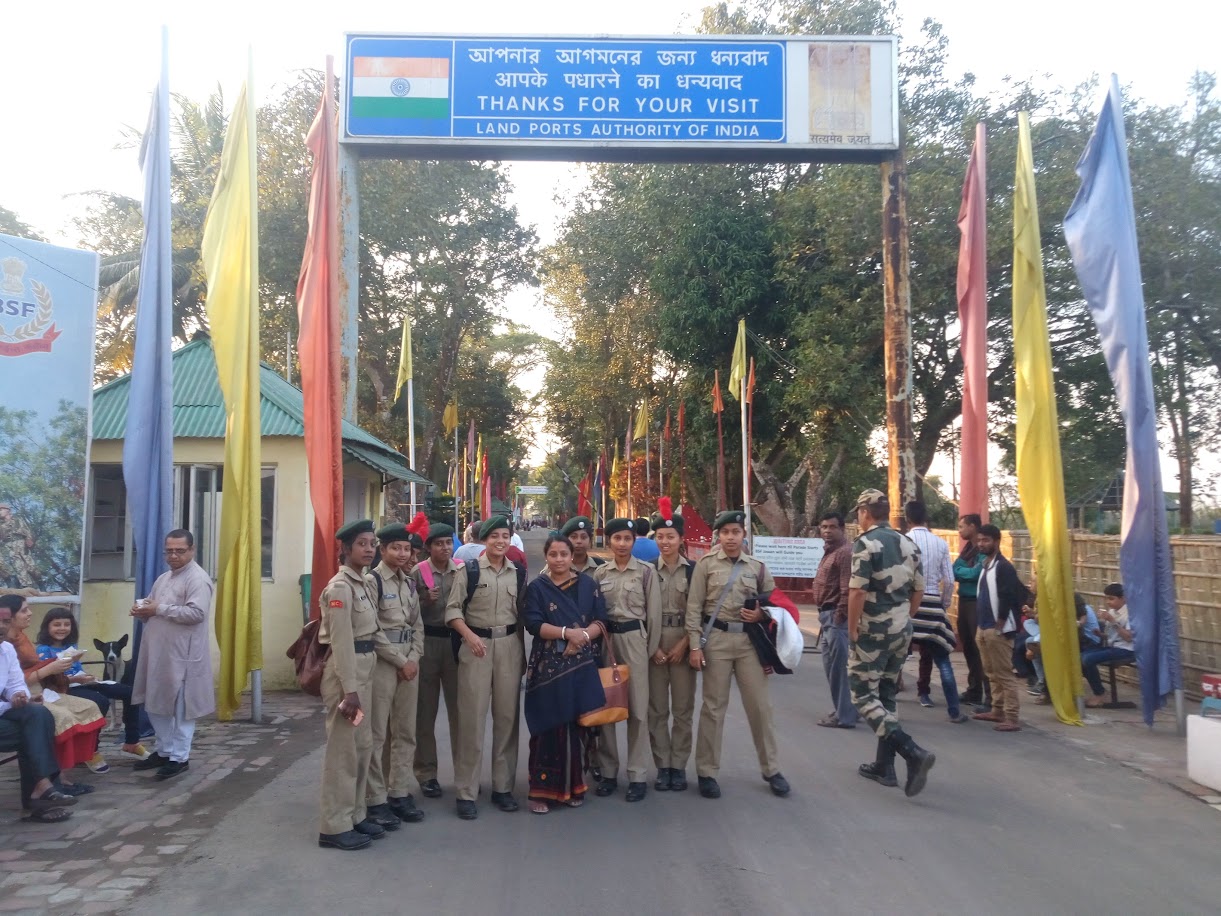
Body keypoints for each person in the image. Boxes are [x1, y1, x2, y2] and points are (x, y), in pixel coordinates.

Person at [686, 510, 790, 800]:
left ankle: (771, 769)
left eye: (736, 532)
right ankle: (707, 772)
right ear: (718, 535)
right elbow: (693, 608)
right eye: (725, 532)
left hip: (748, 642)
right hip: (716, 640)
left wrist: (761, 613)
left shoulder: (757, 567)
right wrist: (695, 646)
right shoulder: (705, 566)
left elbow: (776, 604)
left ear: (744, 534)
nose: (731, 537)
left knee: (760, 707)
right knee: (713, 708)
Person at [847, 489, 935, 797]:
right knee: (887, 695)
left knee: (861, 696)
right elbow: (919, 590)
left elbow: (857, 592)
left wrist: (853, 628)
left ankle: (912, 752)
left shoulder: (865, 543)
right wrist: (903, 618)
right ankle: (884, 767)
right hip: (901, 630)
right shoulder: (907, 542)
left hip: (872, 631)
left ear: (864, 513)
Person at [445, 515, 525, 820]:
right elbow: (452, 611)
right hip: (475, 648)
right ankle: (467, 791)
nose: (500, 542)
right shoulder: (470, 570)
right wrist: (468, 636)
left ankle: (503, 788)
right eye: (495, 537)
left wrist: (523, 659)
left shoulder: (516, 572)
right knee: (471, 721)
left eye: (505, 536)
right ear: (485, 540)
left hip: (508, 647)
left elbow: (520, 616)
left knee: (507, 719)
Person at [522, 535, 608, 814]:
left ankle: (574, 786)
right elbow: (533, 623)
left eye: (564, 554)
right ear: (546, 557)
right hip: (547, 666)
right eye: (553, 555)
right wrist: (564, 633)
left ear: (572, 557)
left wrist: (581, 636)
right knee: (546, 725)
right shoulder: (538, 588)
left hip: (581, 663)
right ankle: (541, 791)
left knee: (575, 725)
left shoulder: (587, 585)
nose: (559, 560)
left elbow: (600, 620)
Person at [317, 520, 387, 851]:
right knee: (343, 752)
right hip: (348, 674)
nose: (370, 549)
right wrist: (350, 691)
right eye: (362, 543)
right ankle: (334, 826)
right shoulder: (341, 588)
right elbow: (342, 643)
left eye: (372, 543)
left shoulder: (364, 583)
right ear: (346, 549)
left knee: (362, 747)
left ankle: (356, 815)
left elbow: (371, 631)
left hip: (366, 666)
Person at [129, 529, 214, 780]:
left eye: (180, 551)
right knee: (155, 702)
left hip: (183, 655)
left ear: (192, 550)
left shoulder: (197, 579)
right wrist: (142, 608)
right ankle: (164, 750)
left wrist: (159, 608)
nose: (173, 555)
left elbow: (196, 614)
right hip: (158, 652)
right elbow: (153, 604)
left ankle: (179, 757)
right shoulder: (164, 578)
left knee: (180, 707)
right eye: (169, 551)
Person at [592, 517, 662, 802]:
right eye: (617, 538)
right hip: (607, 641)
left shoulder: (646, 573)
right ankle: (608, 772)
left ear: (635, 541)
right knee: (608, 707)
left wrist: (647, 650)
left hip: (635, 640)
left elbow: (654, 616)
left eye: (627, 539)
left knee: (637, 710)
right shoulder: (600, 574)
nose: (622, 543)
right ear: (609, 541)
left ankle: (637, 774)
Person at [364, 520, 427, 830]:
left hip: (408, 665)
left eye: (407, 549)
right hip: (383, 664)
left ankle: (398, 792)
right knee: (377, 734)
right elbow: (371, 630)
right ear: (382, 549)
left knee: (405, 731)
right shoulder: (371, 582)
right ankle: (374, 798)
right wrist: (401, 660)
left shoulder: (409, 583)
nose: (403, 554)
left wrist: (413, 658)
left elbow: (417, 624)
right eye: (396, 548)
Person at [35, 608, 149, 762]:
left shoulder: (71, 645)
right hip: (61, 689)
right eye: (57, 625)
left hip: (80, 683)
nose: (62, 628)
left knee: (130, 693)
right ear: (47, 627)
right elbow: (48, 678)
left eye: (66, 624)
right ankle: (91, 751)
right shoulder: (43, 650)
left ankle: (131, 742)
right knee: (98, 701)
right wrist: (75, 680)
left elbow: (76, 669)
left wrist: (87, 676)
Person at [0, 600, 78, 822]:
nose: (3, 627)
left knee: (39, 714)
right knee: (32, 730)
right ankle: (43, 793)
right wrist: (9, 703)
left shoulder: (6, 649)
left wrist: (21, 695)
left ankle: (43, 791)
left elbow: (15, 683)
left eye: (6, 621)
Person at [904, 502, 968, 723]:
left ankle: (884, 706)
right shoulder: (940, 544)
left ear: (907, 519)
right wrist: (944, 604)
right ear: (926, 518)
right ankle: (954, 711)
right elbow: (949, 581)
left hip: (908, 605)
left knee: (894, 657)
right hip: (933, 604)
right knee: (942, 660)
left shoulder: (903, 542)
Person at [648, 498, 696, 791]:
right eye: (660, 537)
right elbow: (639, 610)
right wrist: (653, 647)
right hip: (654, 644)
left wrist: (685, 646)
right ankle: (662, 765)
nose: (665, 542)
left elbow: (698, 611)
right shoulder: (646, 571)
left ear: (681, 539)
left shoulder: (694, 571)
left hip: (683, 642)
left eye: (671, 537)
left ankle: (678, 766)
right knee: (656, 710)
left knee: (682, 709)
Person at [411, 522, 461, 799]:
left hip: (454, 643)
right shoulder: (418, 573)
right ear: (428, 547)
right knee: (424, 713)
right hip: (426, 644)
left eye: (447, 542)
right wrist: (423, 601)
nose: (444, 547)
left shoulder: (462, 571)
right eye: (438, 543)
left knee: (459, 712)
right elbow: (405, 612)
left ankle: (464, 772)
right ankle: (426, 774)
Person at [972, 524, 1025, 731]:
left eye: (985, 540)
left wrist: (1000, 623)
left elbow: (1009, 596)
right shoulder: (987, 565)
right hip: (984, 626)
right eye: (979, 540)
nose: (981, 544)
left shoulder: (1004, 567)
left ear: (996, 541)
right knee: (991, 671)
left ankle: (1011, 716)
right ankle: (997, 710)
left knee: (1004, 673)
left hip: (998, 628)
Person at [810, 512, 858, 729]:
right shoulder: (831, 551)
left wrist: (839, 616)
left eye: (832, 527)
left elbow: (847, 588)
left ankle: (845, 716)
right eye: (824, 526)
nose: (827, 531)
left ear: (842, 529)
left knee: (838, 668)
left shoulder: (844, 553)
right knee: (831, 667)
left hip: (835, 618)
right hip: (827, 617)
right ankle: (842, 709)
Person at [953, 514, 988, 709]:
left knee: (978, 648)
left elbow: (976, 573)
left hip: (976, 601)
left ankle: (987, 695)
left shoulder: (982, 548)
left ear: (973, 527)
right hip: (965, 600)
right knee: (967, 647)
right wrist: (965, 572)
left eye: (961, 527)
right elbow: (953, 569)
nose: (959, 531)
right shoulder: (967, 549)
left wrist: (962, 572)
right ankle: (974, 690)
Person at [1083, 583, 1136, 708]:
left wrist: (1112, 621)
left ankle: (1100, 694)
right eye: (1106, 598)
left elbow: (1128, 637)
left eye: (1111, 598)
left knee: (1087, 659)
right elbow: (1112, 637)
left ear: (1123, 598)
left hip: (1126, 650)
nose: (1108, 602)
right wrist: (1100, 634)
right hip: (1114, 647)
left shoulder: (1131, 614)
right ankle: (1099, 691)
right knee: (1081, 656)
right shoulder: (1113, 611)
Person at [0, 502, 36, 588]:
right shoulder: (1, 525)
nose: (0, 512)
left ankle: (40, 581)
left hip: (21, 543)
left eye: (1, 510)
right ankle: (26, 586)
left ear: (8, 510)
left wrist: (29, 539)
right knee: (19, 566)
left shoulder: (17, 520)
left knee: (31, 567)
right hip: (10, 546)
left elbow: (27, 531)